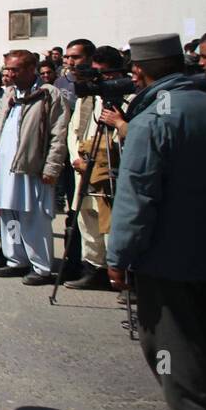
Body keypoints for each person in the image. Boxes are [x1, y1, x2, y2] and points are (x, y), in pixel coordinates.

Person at [107, 33, 206, 410]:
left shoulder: (154, 120)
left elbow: (136, 196)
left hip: (167, 254)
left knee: (170, 340)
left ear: (139, 71)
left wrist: (119, 256)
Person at [0, 49, 69, 285]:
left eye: (14, 69)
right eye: (8, 69)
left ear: (30, 69)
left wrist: (52, 168)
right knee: (9, 213)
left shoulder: (49, 94)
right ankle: (16, 259)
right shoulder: (9, 94)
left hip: (32, 166)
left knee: (33, 216)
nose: (9, 74)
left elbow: (58, 134)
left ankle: (41, 266)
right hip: (6, 166)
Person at [64, 46, 128, 291]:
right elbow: (74, 130)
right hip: (84, 165)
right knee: (87, 218)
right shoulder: (90, 95)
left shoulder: (127, 96)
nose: (100, 79)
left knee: (111, 222)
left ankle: (119, 271)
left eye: (104, 73)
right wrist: (75, 157)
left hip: (111, 169)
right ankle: (94, 268)